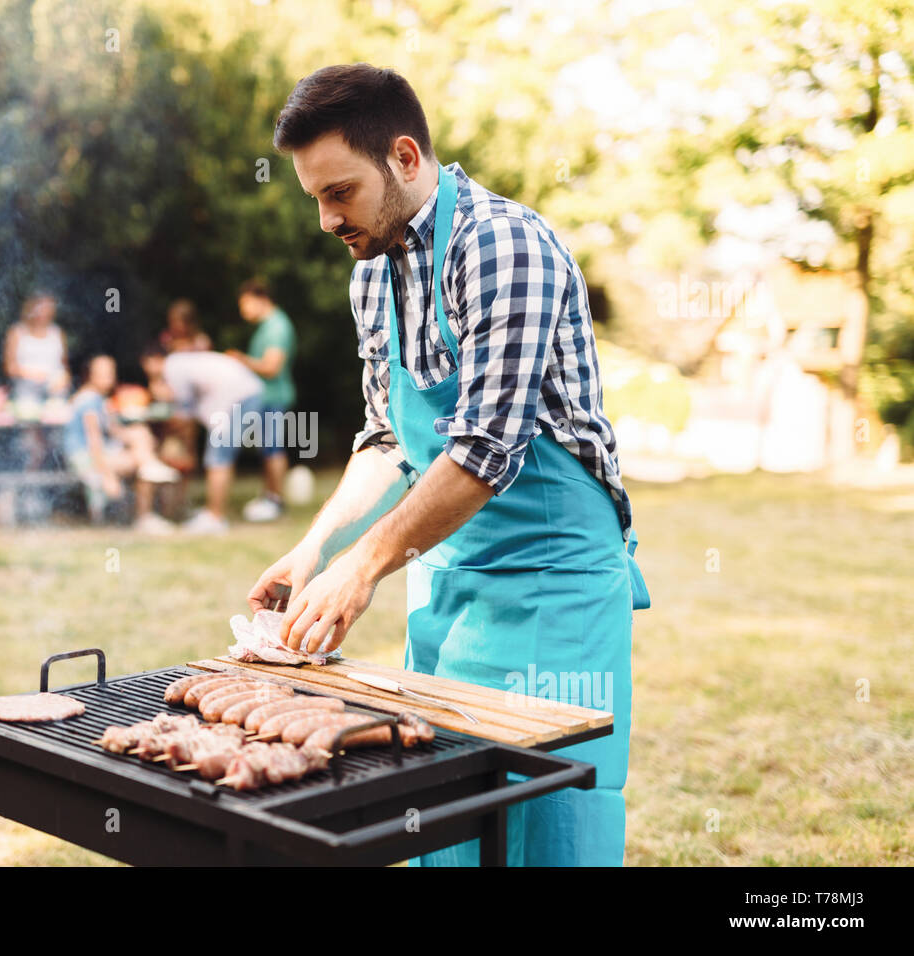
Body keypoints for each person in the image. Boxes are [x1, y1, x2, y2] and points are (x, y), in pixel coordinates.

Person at [247, 64, 652, 867]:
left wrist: (364, 568)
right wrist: (316, 549)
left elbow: (484, 450)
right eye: (316, 199)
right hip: (450, 578)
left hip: (552, 581)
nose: (327, 219)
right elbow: (388, 439)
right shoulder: (374, 273)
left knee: (546, 813)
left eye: (340, 193)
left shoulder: (504, 248)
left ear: (403, 157)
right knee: (442, 812)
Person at [140, 343, 264, 534]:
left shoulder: (172, 368)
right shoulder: (182, 363)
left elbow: (184, 416)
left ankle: (214, 518)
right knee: (219, 455)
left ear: (157, 359)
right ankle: (213, 514)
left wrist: (163, 401)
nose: (150, 374)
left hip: (238, 397)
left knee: (219, 456)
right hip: (245, 392)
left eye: (149, 366)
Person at [64, 354, 179, 533]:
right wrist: (107, 475)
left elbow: (114, 431)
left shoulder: (97, 399)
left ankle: (149, 465)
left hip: (99, 453)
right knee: (142, 465)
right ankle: (144, 516)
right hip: (86, 458)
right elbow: (93, 441)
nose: (108, 378)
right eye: (102, 374)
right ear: (89, 375)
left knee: (140, 435)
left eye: (110, 373)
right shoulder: (88, 401)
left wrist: (141, 436)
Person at [226, 278, 297, 522]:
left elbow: (272, 367)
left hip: (274, 396)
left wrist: (240, 359)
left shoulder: (277, 326)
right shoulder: (267, 326)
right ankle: (268, 496)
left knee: (273, 448)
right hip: (264, 398)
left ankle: (276, 500)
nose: (243, 310)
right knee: (267, 448)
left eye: (245, 304)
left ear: (261, 299)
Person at [4, 292, 71, 405]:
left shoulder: (57, 333)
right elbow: (10, 368)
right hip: (26, 394)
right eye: (41, 307)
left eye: (48, 308)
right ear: (31, 308)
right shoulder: (17, 332)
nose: (44, 312)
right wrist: (33, 374)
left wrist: (65, 379)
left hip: (55, 393)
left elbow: (65, 367)